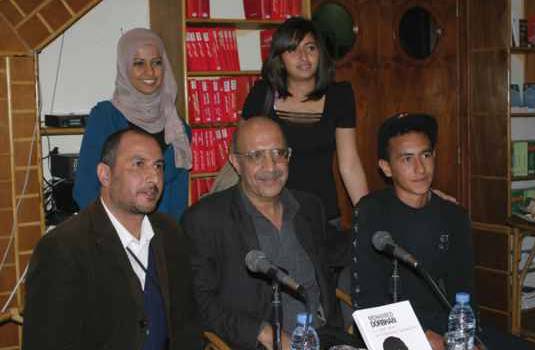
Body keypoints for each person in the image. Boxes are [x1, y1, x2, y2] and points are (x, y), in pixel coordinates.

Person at [351, 114, 535, 350]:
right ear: (386, 168)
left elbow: (464, 290)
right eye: (407, 159)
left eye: (426, 155)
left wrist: (470, 336)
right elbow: (369, 299)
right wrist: (424, 336)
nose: (420, 168)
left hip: (447, 326)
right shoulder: (373, 211)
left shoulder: (454, 216)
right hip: (393, 330)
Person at [181, 117, 355, 350]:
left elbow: (338, 253)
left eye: (278, 153)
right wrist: (260, 331)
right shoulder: (206, 219)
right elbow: (199, 302)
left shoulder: (309, 207)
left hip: (324, 338)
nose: (271, 167)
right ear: (235, 162)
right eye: (256, 156)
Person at [23, 128, 200, 350]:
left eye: (158, 166)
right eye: (138, 164)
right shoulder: (63, 248)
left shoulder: (170, 232)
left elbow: (187, 326)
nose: (153, 177)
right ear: (105, 175)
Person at [242, 17, 368, 223]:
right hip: (269, 215)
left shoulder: (340, 96)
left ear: (320, 53)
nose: (304, 57)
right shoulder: (261, 95)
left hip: (322, 215)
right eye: (293, 50)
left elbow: (350, 164)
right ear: (280, 58)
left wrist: (368, 216)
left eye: (310, 48)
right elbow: (242, 155)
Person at [74, 28, 191, 220]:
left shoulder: (177, 128)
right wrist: (117, 235)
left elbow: (179, 198)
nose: (150, 72)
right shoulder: (106, 117)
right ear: (124, 66)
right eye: (139, 63)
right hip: (113, 235)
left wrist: (170, 238)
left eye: (156, 63)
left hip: (161, 238)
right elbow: (85, 188)